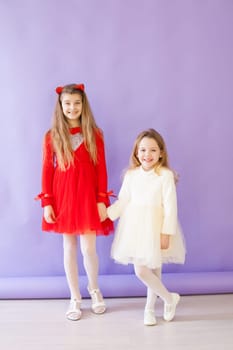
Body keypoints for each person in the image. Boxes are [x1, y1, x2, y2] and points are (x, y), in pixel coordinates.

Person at [36, 83, 113, 321]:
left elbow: (101, 169)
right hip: (63, 196)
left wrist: (102, 200)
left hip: (88, 195)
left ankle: (94, 289)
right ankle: (75, 296)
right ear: (60, 105)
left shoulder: (95, 133)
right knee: (68, 247)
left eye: (76, 103)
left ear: (83, 105)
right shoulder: (52, 136)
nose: (72, 108)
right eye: (67, 103)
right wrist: (47, 202)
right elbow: (47, 171)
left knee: (88, 248)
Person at [106, 128, 185, 326]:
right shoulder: (131, 175)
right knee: (142, 270)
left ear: (161, 153)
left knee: (154, 271)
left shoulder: (165, 175)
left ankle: (149, 309)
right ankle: (169, 299)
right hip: (135, 229)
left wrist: (166, 233)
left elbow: (170, 207)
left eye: (152, 150)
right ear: (136, 152)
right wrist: (107, 213)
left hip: (156, 227)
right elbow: (123, 201)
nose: (147, 155)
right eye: (142, 150)